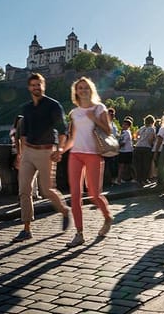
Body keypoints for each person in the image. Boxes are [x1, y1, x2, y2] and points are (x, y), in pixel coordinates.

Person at [12, 73, 71, 243]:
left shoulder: (53, 105)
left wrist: (60, 149)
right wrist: (21, 154)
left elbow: (63, 130)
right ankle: (26, 229)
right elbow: (23, 134)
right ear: (29, 88)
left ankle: (64, 210)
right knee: (24, 190)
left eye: (39, 84)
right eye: (33, 85)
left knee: (46, 190)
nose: (36, 88)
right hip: (29, 152)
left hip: (47, 152)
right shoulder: (27, 108)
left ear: (43, 86)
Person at [58, 77, 114, 247]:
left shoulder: (99, 108)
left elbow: (108, 130)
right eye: (80, 88)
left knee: (94, 194)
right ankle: (79, 233)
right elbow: (72, 138)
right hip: (75, 155)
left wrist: (94, 118)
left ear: (91, 90)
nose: (83, 90)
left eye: (86, 87)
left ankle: (107, 217)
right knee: (75, 195)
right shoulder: (74, 113)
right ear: (76, 91)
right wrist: (61, 150)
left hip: (93, 154)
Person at [10, 115, 40, 199]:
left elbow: (16, 140)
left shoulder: (13, 130)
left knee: (22, 174)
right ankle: (33, 193)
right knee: (31, 174)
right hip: (25, 152)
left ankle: (24, 194)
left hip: (17, 152)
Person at [133, 115, 156, 185]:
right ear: (152, 122)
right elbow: (150, 139)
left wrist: (138, 140)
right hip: (146, 147)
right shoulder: (151, 129)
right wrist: (152, 144)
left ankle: (138, 179)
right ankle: (144, 179)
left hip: (138, 147)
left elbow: (135, 135)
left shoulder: (141, 128)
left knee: (138, 165)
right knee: (146, 165)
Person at [115, 117, 134, 185]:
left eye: (125, 125)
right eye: (123, 124)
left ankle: (119, 180)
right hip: (124, 151)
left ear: (128, 126)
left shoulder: (126, 132)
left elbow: (123, 143)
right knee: (124, 166)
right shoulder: (123, 132)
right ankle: (125, 178)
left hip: (126, 151)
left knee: (123, 166)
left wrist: (116, 148)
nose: (123, 126)